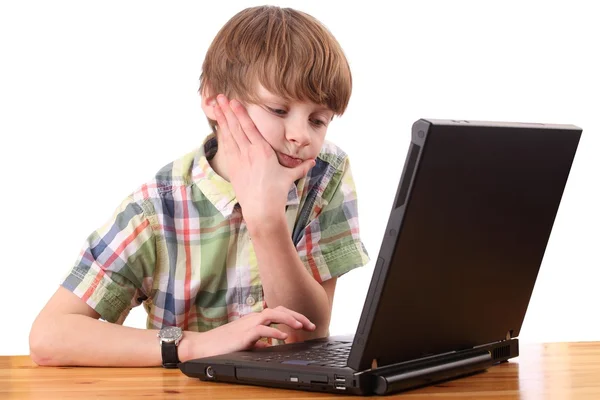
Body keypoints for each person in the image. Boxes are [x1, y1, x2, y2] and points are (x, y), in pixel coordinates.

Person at [29, 5, 369, 367]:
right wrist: (193, 345)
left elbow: (306, 336)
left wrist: (265, 219)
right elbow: (49, 336)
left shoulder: (324, 174)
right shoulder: (158, 207)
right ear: (213, 98)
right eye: (278, 110)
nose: (301, 135)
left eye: (318, 120)